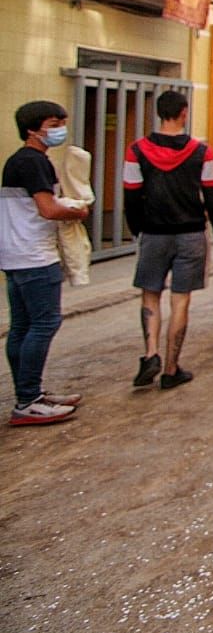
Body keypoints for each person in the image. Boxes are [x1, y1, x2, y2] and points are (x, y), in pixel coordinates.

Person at [122, 90, 213, 390]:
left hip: (154, 233)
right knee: (180, 300)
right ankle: (171, 368)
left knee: (150, 295)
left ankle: (150, 353)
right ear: (184, 113)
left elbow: (131, 193)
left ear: (159, 113)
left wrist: (137, 229)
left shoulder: (137, 150)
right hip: (191, 233)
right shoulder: (201, 151)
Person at [3, 100, 90, 425]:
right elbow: (48, 209)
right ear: (32, 128)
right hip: (35, 255)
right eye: (54, 123)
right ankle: (27, 400)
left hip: (15, 254)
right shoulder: (34, 162)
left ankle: (31, 394)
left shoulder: (18, 161)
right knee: (44, 323)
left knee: (22, 326)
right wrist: (78, 210)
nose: (59, 130)